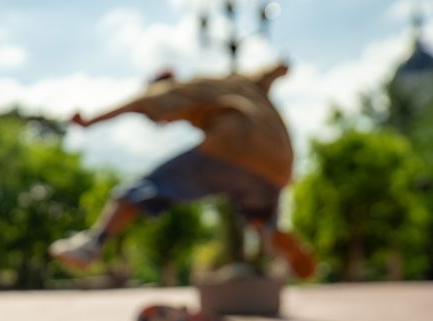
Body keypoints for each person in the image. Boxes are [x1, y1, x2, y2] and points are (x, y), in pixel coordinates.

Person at [49, 62, 316, 278]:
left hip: (234, 144)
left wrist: (88, 121)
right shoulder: (233, 81)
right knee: (256, 214)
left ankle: (91, 245)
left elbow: (137, 102)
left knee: (142, 188)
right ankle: (270, 232)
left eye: (155, 118)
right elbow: (269, 73)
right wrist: (281, 68)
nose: (158, 121)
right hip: (280, 161)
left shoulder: (173, 88)